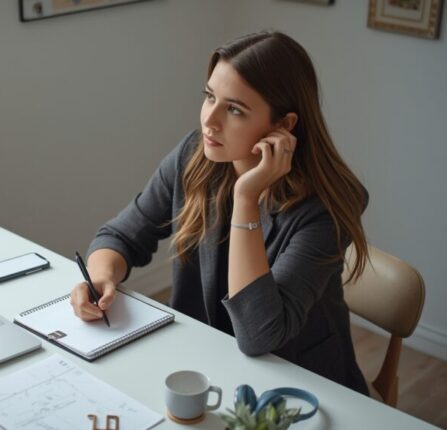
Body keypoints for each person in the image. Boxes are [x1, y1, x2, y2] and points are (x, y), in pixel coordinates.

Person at [70, 31, 370, 395]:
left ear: (284, 125)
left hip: (297, 386)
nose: (209, 121)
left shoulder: (325, 210)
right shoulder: (196, 155)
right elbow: (120, 236)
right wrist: (101, 276)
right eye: (209, 96)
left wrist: (246, 198)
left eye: (234, 109)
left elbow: (261, 334)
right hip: (206, 365)